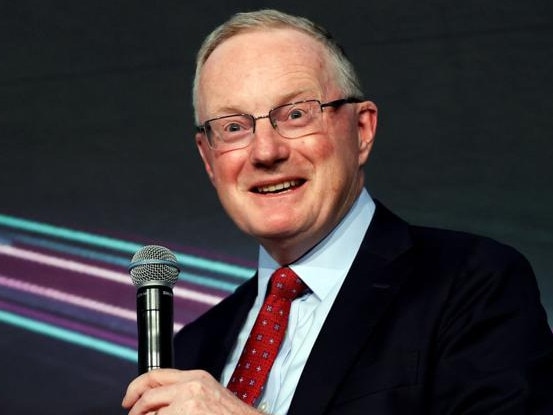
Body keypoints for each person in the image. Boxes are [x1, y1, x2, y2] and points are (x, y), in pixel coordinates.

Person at [122, 9, 553, 414]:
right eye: (234, 127)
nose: (266, 151)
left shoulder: (473, 285)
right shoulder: (194, 348)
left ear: (362, 130)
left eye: (295, 114)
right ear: (208, 157)